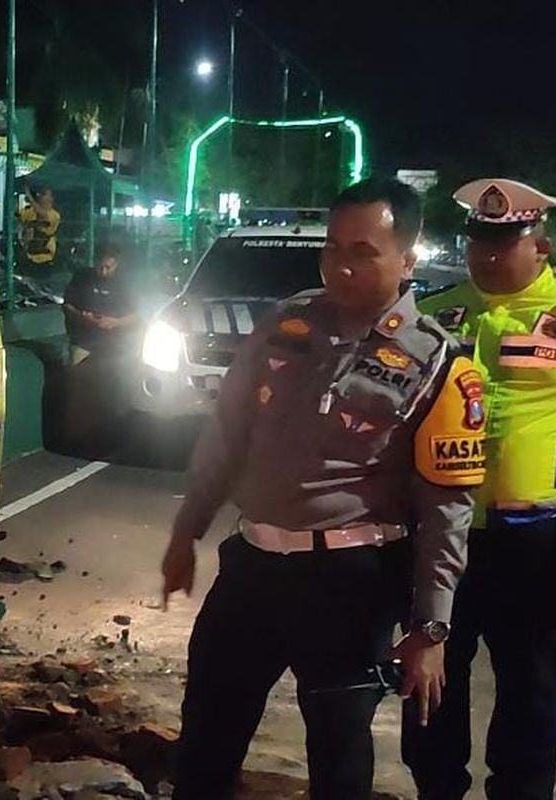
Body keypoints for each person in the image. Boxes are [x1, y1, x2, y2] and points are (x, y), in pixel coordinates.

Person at [161, 178, 485, 799]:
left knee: (338, 761)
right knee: (205, 739)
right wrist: (187, 531)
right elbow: (226, 433)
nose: (341, 264)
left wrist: (431, 630)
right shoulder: (287, 324)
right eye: (333, 247)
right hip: (251, 569)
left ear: (407, 260)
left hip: (350, 584)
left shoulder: (437, 363)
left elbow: (446, 511)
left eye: (363, 251)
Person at [403, 178, 556, 800]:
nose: (488, 253)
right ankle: (436, 788)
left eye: (505, 241)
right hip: (445, 537)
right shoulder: (435, 313)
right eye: (479, 240)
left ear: (539, 246)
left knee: (533, 683)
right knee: (433, 676)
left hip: (536, 538)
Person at [62, 243, 138, 365]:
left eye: (108, 267)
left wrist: (116, 322)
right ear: (95, 262)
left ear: (116, 265)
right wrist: (81, 316)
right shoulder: (81, 277)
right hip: (82, 344)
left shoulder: (123, 283)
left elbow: (136, 316)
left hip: (113, 347)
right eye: (100, 266)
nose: (103, 271)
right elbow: (66, 305)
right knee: (77, 380)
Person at [19, 185, 61, 268]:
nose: (40, 196)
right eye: (39, 194)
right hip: (27, 256)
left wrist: (29, 196)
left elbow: (43, 215)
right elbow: (21, 223)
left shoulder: (54, 215)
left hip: (45, 258)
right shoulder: (29, 212)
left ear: (51, 198)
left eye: (43, 194)